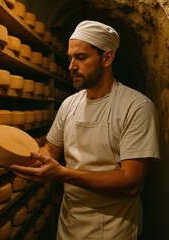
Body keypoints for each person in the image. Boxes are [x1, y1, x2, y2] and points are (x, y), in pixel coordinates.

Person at [11, 20, 160, 240]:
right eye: (71, 57)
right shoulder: (69, 104)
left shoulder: (136, 107)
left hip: (114, 227)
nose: (71, 66)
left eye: (81, 57)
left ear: (107, 58)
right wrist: (32, 160)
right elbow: (51, 150)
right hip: (70, 222)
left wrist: (63, 174)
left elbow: (131, 183)